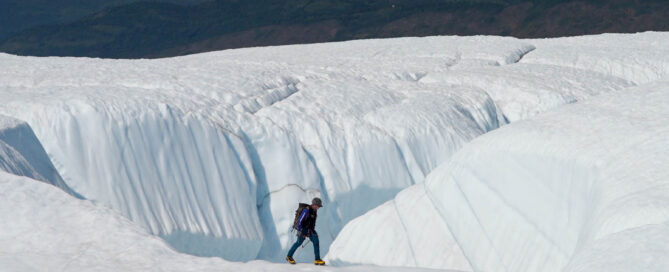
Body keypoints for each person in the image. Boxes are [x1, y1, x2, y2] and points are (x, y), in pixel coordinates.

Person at [286, 197, 325, 265]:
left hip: (310, 230)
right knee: (299, 242)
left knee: (316, 241)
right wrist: (299, 231)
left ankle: (317, 259)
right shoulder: (306, 210)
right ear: (314, 204)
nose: (319, 207)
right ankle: (289, 256)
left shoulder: (314, 211)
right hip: (302, 229)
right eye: (318, 206)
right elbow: (300, 221)